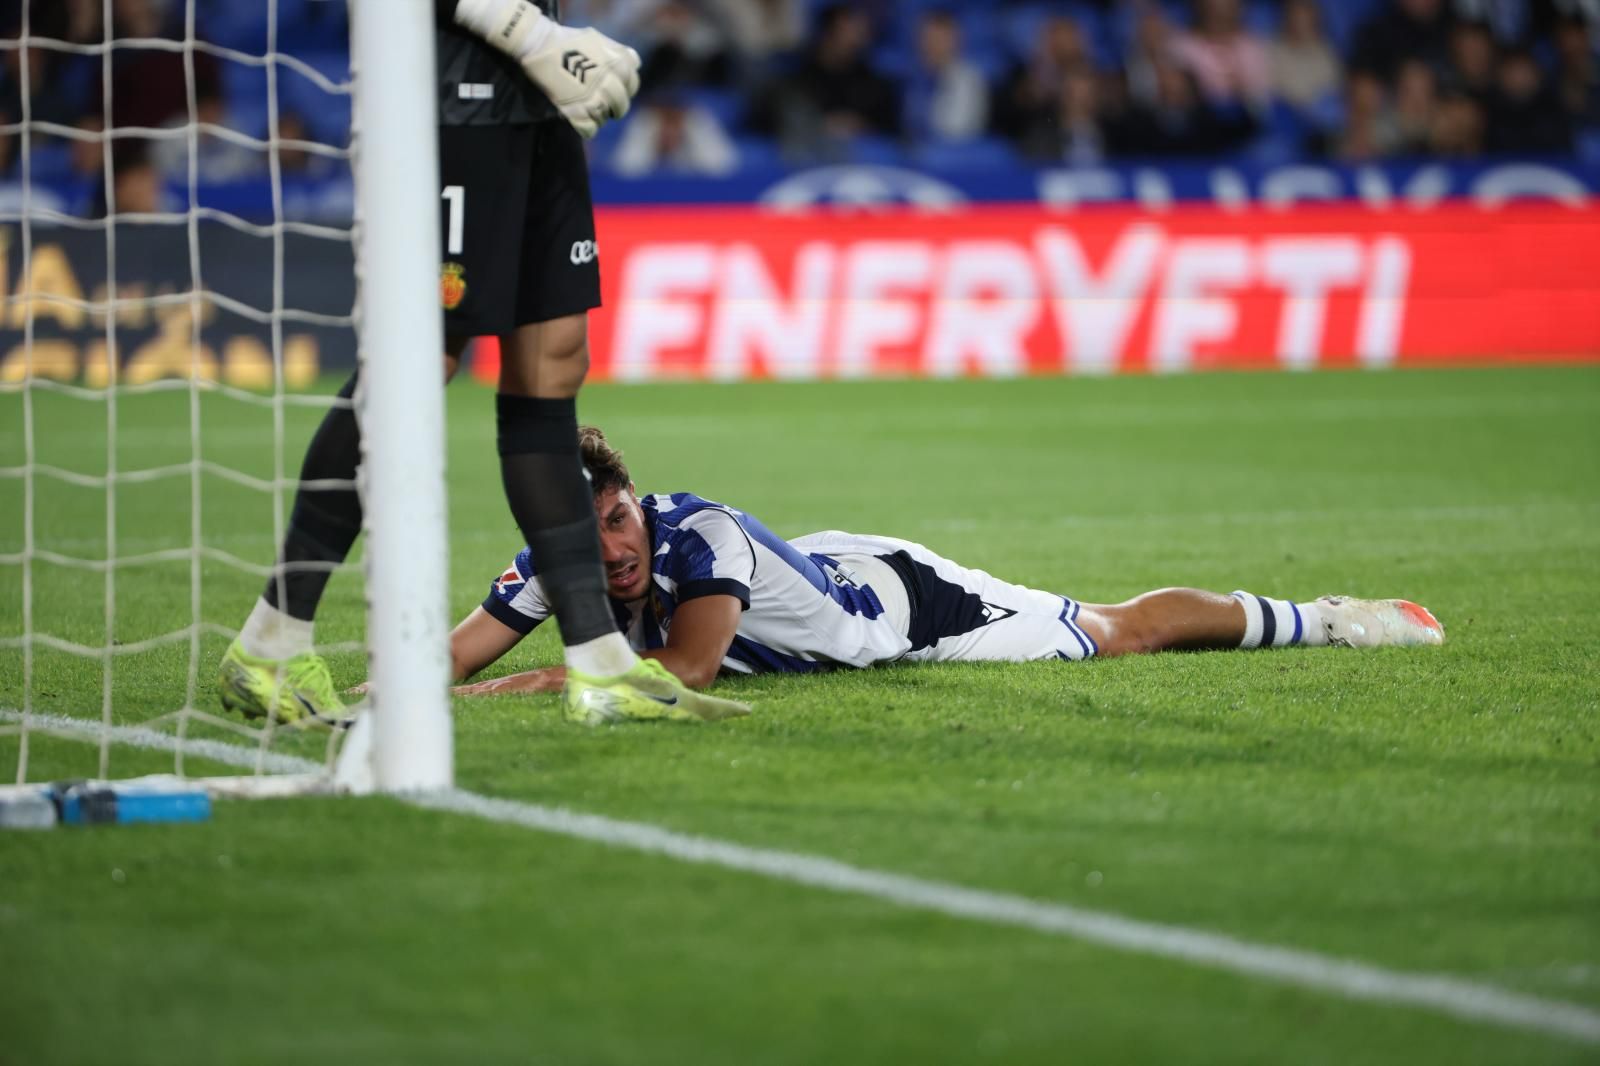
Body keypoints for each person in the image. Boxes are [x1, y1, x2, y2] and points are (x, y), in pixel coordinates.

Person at [218, 0, 748, 728]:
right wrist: (526, 32)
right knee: (417, 359)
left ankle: (600, 664)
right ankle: (271, 644)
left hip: (540, 95)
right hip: (452, 93)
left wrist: (550, 45)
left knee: (553, 361)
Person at [448, 428, 1444, 714]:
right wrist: (380, 694)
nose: (611, 550)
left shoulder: (696, 536)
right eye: (589, 537)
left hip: (903, 607)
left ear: (635, 501)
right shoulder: (557, 558)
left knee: (1114, 632)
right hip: (815, 573)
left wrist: (540, 676)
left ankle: (1326, 618)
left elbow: (693, 671)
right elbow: (455, 656)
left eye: (618, 519)